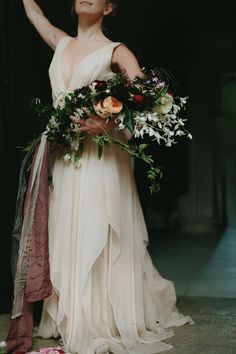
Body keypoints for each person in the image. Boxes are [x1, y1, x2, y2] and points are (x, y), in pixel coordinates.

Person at [3, 1, 193, 353]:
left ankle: (102, 316)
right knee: (63, 230)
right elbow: (33, 14)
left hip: (102, 159)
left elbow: (148, 114)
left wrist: (105, 124)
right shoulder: (61, 43)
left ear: (108, 8)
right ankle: (68, 314)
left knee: (96, 229)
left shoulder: (117, 53)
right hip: (63, 157)